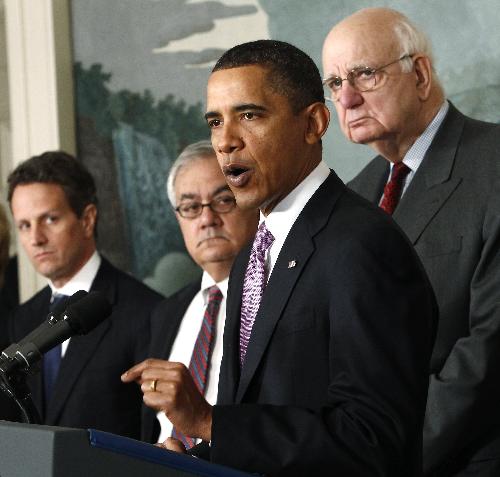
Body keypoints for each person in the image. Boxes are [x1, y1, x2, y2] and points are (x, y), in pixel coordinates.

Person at [123, 40, 437, 476]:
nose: (226, 142)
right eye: (215, 121)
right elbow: (256, 418)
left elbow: (373, 438)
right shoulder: (252, 252)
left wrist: (211, 422)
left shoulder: (363, 245)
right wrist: (194, 461)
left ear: (313, 123)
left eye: (249, 115)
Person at [322, 8, 500, 476]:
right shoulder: (350, 198)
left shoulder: (494, 163)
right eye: (335, 83)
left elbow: (489, 349)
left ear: (419, 73)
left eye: (364, 74)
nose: (348, 98)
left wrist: (388, 457)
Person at [6, 151, 163, 438]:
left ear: (87, 219)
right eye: (25, 226)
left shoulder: (147, 312)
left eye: (50, 219)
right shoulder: (22, 317)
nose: (35, 238)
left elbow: (153, 435)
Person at [139, 140, 258, 444]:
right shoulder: (166, 313)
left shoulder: (279, 299)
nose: (207, 219)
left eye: (223, 200)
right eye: (191, 207)